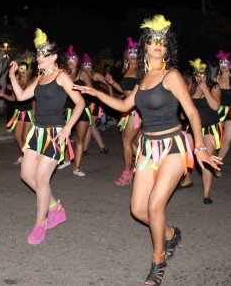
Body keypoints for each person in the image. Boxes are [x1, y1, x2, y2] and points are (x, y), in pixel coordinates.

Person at [74, 15, 222, 285]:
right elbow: (122, 106)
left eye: (162, 42)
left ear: (168, 48)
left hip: (174, 145)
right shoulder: (143, 79)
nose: (157, 45)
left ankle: (158, 261)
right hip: (147, 147)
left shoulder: (172, 75)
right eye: (153, 41)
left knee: (155, 206)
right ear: (145, 46)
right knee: (138, 209)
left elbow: (191, 112)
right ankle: (170, 233)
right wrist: (94, 93)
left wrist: (199, 146)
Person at [7, 28, 84, 245]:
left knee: (41, 179)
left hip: (54, 134)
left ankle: (41, 223)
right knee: (26, 175)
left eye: (44, 54)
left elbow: (80, 103)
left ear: (54, 57)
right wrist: (13, 77)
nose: (39, 57)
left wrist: (68, 128)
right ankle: (54, 207)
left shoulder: (61, 76)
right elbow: (21, 96)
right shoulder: (41, 77)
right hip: (37, 132)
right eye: (38, 53)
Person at [186, 58, 222, 204]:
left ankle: (206, 193)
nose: (199, 76)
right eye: (197, 73)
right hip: (192, 128)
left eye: (202, 73)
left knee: (207, 158)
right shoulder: (190, 87)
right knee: (185, 157)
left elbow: (215, 107)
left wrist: (205, 89)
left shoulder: (214, 87)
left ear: (207, 74)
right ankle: (187, 179)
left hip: (209, 128)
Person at [104, 38, 139, 186]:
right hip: (128, 110)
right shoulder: (128, 69)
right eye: (130, 51)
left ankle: (127, 172)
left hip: (136, 110)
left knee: (126, 141)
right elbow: (125, 91)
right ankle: (144, 167)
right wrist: (113, 83)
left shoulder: (140, 69)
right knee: (133, 143)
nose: (132, 54)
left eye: (135, 51)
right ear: (126, 54)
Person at [59, 45, 93, 176]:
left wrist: (81, 91)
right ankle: (67, 159)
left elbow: (91, 90)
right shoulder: (64, 74)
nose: (71, 60)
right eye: (69, 58)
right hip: (68, 110)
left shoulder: (82, 73)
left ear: (78, 60)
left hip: (82, 109)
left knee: (80, 139)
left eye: (73, 58)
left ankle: (76, 167)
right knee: (66, 136)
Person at [0, 57, 36, 165]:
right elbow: (14, 98)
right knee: (17, 137)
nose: (22, 71)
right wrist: (3, 94)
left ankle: (28, 159)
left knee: (25, 137)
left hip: (29, 111)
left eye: (24, 69)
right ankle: (24, 155)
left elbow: (34, 99)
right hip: (19, 112)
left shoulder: (31, 81)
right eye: (20, 69)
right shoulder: (16, 81)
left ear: (28, 70)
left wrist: (34, 111)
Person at [81, 53, 110, 157]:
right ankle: (102, 148)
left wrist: (110, 94)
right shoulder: (83, 76)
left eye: (89, 64)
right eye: (85, 65)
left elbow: (108, 82)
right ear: (82, 66)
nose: (87, 67)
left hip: (95, 104)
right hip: (86, 104)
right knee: (91, 126)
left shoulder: (95, 75)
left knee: (90, 126)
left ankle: (84, 149)